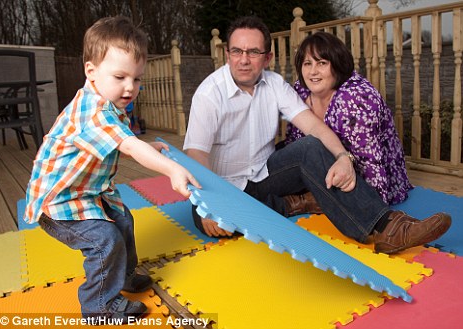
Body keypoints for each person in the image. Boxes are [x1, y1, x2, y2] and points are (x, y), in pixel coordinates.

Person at [184, 16, 451, 255]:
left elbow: (315, 128)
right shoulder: (209, 94)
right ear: (227, 54)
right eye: (237, 51)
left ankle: (387, 227)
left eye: (253, 52)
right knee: (220, 225)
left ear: (268, 57)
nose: (244, 59)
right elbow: (195, 155)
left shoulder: (275, 84)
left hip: (264, 174)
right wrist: (210, 204)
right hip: (220, 186)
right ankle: (289, 205)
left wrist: (343, 158)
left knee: (310, 146)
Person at [23, 16, 200, 323]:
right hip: (58, 203)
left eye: (137, 78)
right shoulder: (91, 111)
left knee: (123, 219)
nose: (130, 87)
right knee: (105, 239)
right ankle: (99, 307)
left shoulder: (109, 104)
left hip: (87, 193)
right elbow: (129, 146)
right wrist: (170, 169)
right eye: (120, 77)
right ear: (91, 71)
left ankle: (121, 277)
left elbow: (123, 142)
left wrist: (149, 147)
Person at [282, 31, 412, 205]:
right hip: (322, 167)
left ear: (337, 64)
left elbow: (370, 163)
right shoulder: (300, 89)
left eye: (321, 63)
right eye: (307, 63)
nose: (313, 71)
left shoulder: (357, 98)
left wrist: (372, 211)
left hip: (361, 172)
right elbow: (293, 143)